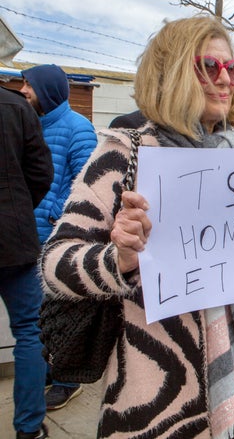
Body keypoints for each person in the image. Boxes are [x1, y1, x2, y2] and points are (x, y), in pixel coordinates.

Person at [39, 15, 234, 439]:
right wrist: (120, 258)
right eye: (209, 67)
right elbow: (55, 263)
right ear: (173, 72)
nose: (226, 80)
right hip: (162, 401)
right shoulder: (127, 151)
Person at [19, 63, 98, 411]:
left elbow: (87, 184)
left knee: (65, 309)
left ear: (47, 89)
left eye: (29, 86)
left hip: (58, 236)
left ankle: (68, 380)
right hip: (29, 233)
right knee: (40, 314)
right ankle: (50, 369)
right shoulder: (31, 124)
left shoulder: (78, 128)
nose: (24, 91)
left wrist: (56, 216)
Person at [0, 86, 53, 439]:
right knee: (30, 331)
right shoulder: (16, 107)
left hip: (15, 237)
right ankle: (29, 428)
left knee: (30, 331)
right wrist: (18, 208)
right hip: (14, 238)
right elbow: (41, 172)